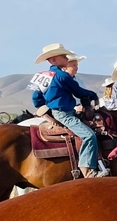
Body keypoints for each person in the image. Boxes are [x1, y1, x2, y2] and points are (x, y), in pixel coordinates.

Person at [32, 43, 108, 178]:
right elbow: (79, 92)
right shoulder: (62, 76)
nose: (67, 57)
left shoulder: (42, 75)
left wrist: (45, 108)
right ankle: (88, 170)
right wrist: (94, 95)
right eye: (63, 56)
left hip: (55, 112)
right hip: (65, 114)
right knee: (89, 135)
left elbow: (36, 97)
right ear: (53, 59)